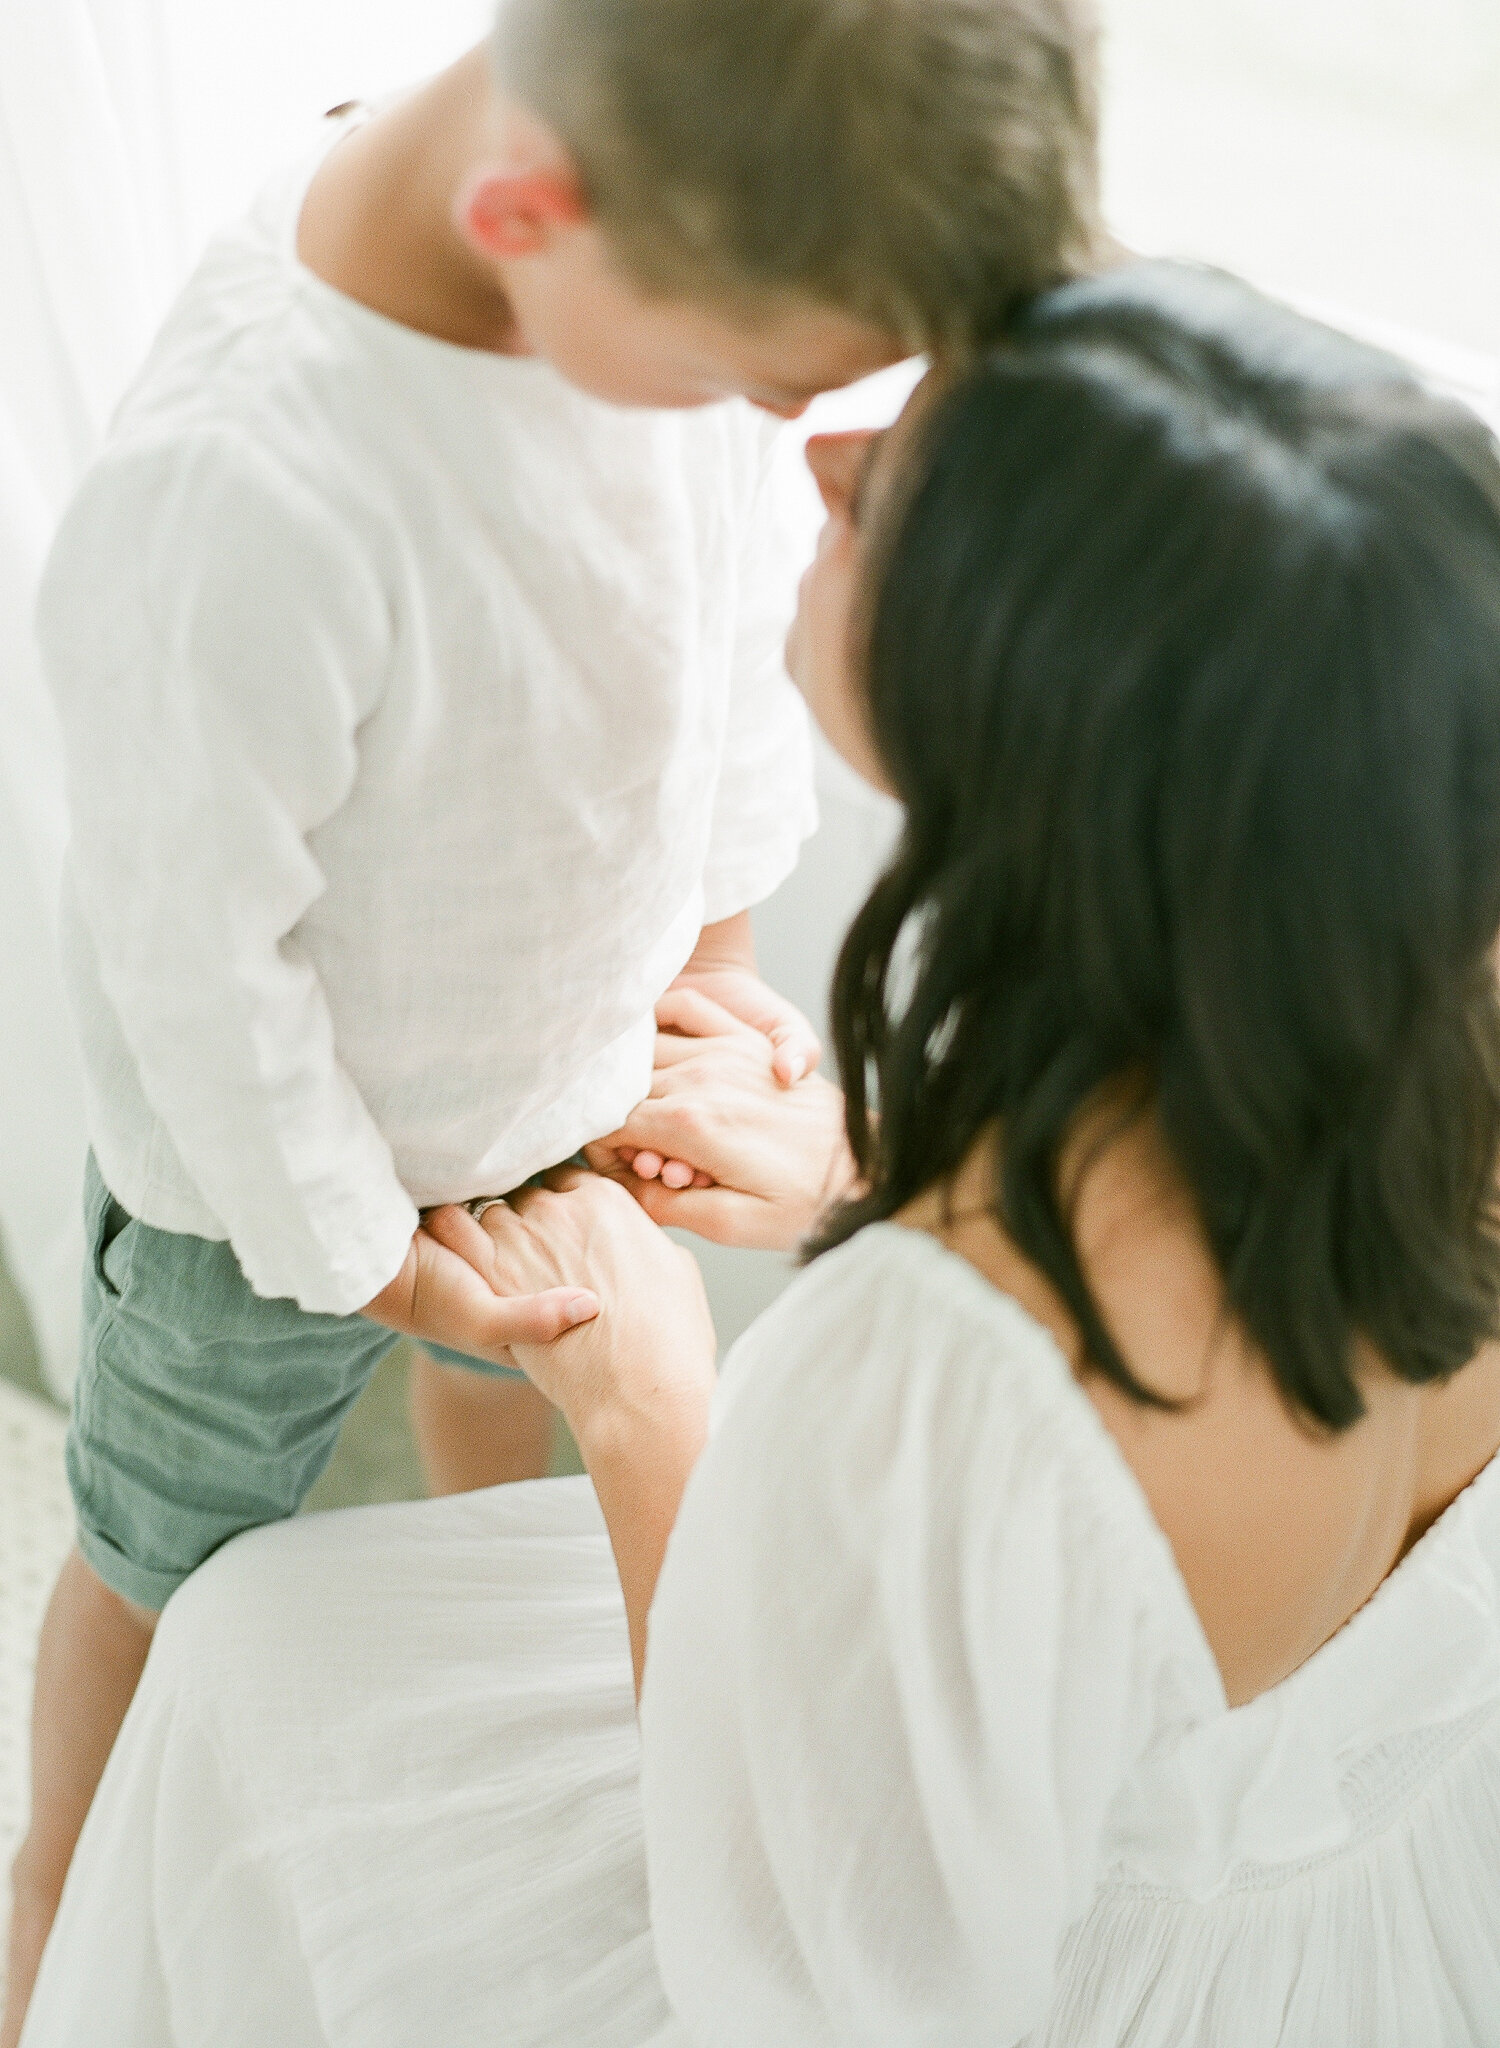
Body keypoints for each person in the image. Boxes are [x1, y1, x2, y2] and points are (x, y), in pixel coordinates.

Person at [26, 262, 1500, 2046]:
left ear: (1031, 735)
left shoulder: (935, 1376)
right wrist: (880, 1176)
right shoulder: (1411, 1012)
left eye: (891, 494)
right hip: (1369, 1922)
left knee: (253, 1650)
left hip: (966, 1981)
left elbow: (808, 1966)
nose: (817, 456)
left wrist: (650, 1410)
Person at [1, 3, 1104, 2037]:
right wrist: (363, 1249)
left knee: (499, 1441)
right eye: (753, 391)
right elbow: (197, 964)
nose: (792, 445)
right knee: (161, 1551)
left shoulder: (644, 307)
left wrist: (717, 950)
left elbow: (715, 652)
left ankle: (429, 1657)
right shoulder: (256, 487)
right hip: (275, 1179)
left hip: (554, 1056)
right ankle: (55, 1900)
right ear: (528, 211)